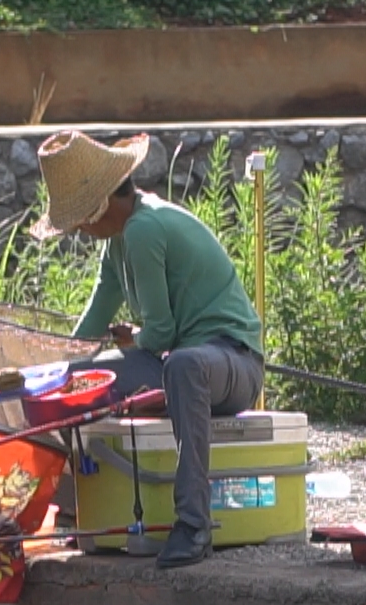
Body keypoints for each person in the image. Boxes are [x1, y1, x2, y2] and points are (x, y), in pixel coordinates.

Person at [33, 130, 265, 569]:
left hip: (231, 363)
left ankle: (194, 526)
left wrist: (136, 341)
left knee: (182, 365)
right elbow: (95, 319)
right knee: (71, 383)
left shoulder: (143, 229)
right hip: (182, 362)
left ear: (102, 206)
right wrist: (57, 369)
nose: (81, 230)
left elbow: (160, 335)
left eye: (81, 219)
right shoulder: (119, 239)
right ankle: (76, 513)